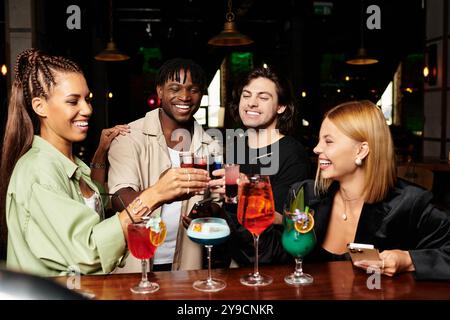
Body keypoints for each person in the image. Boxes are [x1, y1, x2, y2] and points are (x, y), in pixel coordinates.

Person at [0, 49, 208, 277]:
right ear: (40, 107)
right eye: (73, 101)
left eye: (86, 99)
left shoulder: (73, 165)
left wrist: (100, 153)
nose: (87, 109)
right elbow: (88, 252)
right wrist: (155, 194)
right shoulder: (37, 171)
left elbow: (102, 201)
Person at [288, 100, 450, 280]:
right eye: (319, 140)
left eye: (328, 141)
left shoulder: (409, 203)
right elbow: (279, 257)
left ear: (361, 150)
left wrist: (408, 260)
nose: (317, 149)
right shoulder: (304, 195)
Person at [107, 58, 220, 272]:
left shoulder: (211, 146)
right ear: (159, 91)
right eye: (175, 88)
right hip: (135, 263)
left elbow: (217, 205)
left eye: (193, 89)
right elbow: (119, 199)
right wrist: (162, 190)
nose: (185, 97)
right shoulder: (130, 137)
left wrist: (205, 210)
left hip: (188, 265)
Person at [208, 66, 311, 266]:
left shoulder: (292, 154)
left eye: (263, 97)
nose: (251, 103)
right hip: (231, 260)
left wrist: (246, 194)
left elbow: (289, 220)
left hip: (272, 265)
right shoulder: (234, 147)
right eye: (246, 95)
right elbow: (229, 208)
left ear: (281, 107)